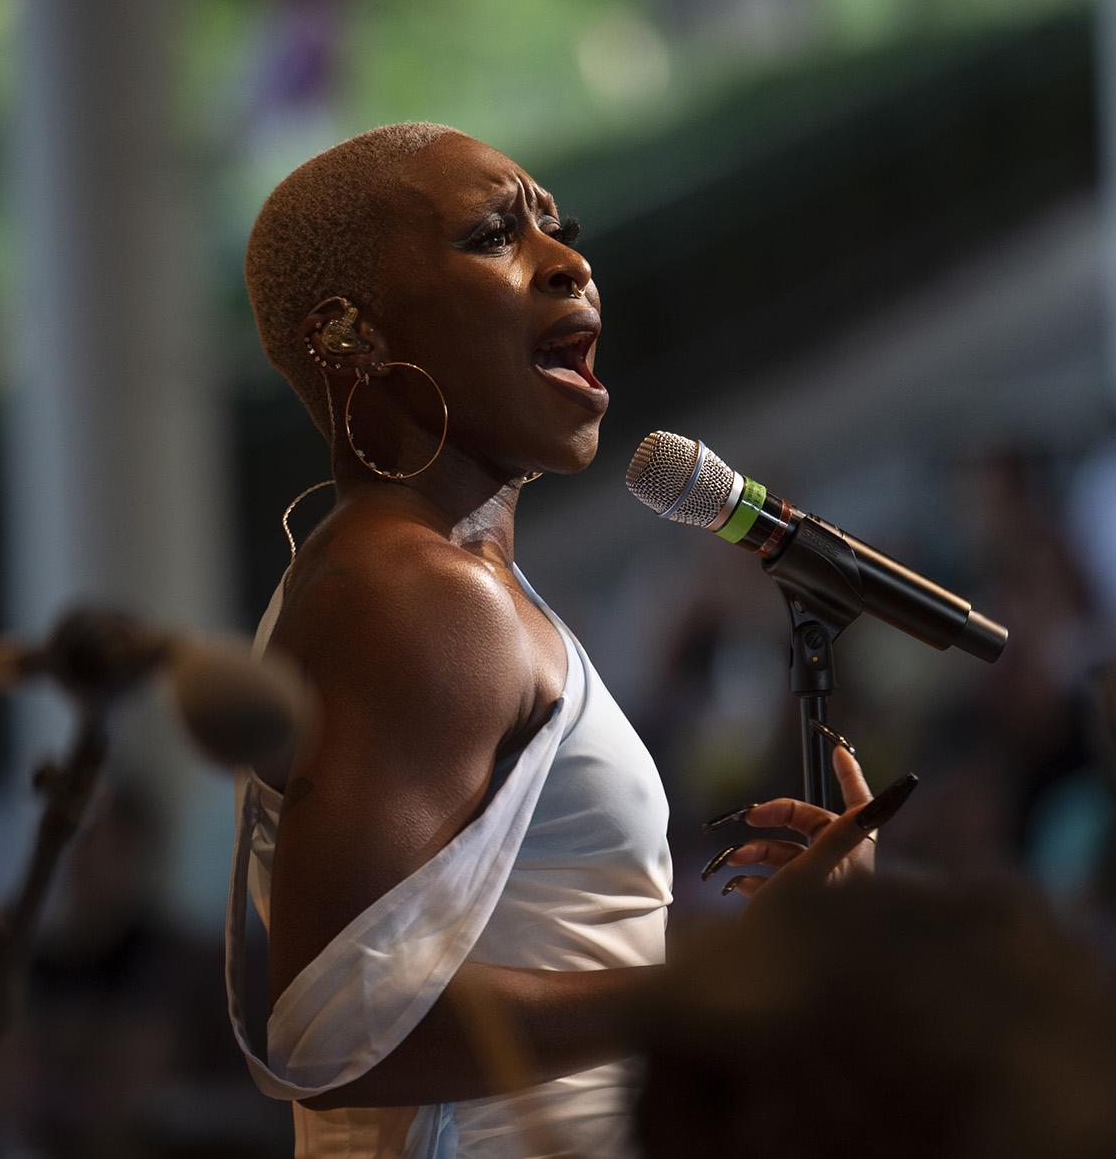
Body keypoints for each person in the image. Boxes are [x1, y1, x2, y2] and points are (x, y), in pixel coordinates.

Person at [226, 122, 886, 1157]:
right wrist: (716, 983)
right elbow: (340, 1026)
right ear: (351, 332)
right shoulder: (415, 593)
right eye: (496, 234)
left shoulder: (426, 579)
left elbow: (536, 965)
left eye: (559, 228)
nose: (572, 262)